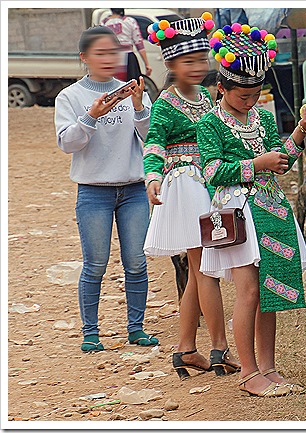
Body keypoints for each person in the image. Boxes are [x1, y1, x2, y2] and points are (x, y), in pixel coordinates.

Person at [197, 23, 306, 397]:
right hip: (235, 213)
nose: (251, 101)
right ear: (221, 88)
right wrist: (256, 164)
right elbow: (210, 171)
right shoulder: (209, 123)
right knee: (248, 292)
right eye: (243, 96)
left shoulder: (264, 118)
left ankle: (268, 367)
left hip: (270, 208)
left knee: (269, 290)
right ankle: (248, 371)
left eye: (256, 94)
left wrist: (301, 132)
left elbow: (282, 160)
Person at [143, 13, 239, 379]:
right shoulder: (166, 103)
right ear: (170, 64)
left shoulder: (205, 97)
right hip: (184, 184)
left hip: (207, 183)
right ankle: (219, 349)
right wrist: (152, 176)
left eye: (202, 59)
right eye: (189, 61)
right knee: (207, 271)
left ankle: (186, 349)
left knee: (200, 271)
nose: (199, 66)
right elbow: (154, 143)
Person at [55, 26, 155, 352]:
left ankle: (136, 329)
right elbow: (67, 143)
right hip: (93, 192)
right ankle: (91, 333)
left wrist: (139, 106)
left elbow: (150, 138)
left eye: (114, 52)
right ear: (84, 57)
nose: (109, 58)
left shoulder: (134, 91)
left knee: (136, 262)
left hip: (134, 190)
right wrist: (92, 115)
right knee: (95, 264)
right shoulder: (70, 96)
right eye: (100, 52)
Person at [101, 8, 153, 81]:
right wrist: (147, 64)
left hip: (112, 59)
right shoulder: (130, 21)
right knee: (132, 86)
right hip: (129, 59)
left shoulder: (104, 23)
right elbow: (139, 43)